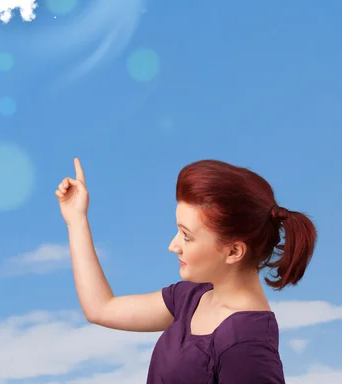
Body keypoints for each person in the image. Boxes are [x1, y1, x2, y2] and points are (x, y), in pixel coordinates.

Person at [55, 157, 317, 383]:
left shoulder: (245, 344)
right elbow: (101, 308)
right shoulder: (191, 297)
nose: (172, 246)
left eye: (186, 236)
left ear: (234, 251)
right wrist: (76, 219)